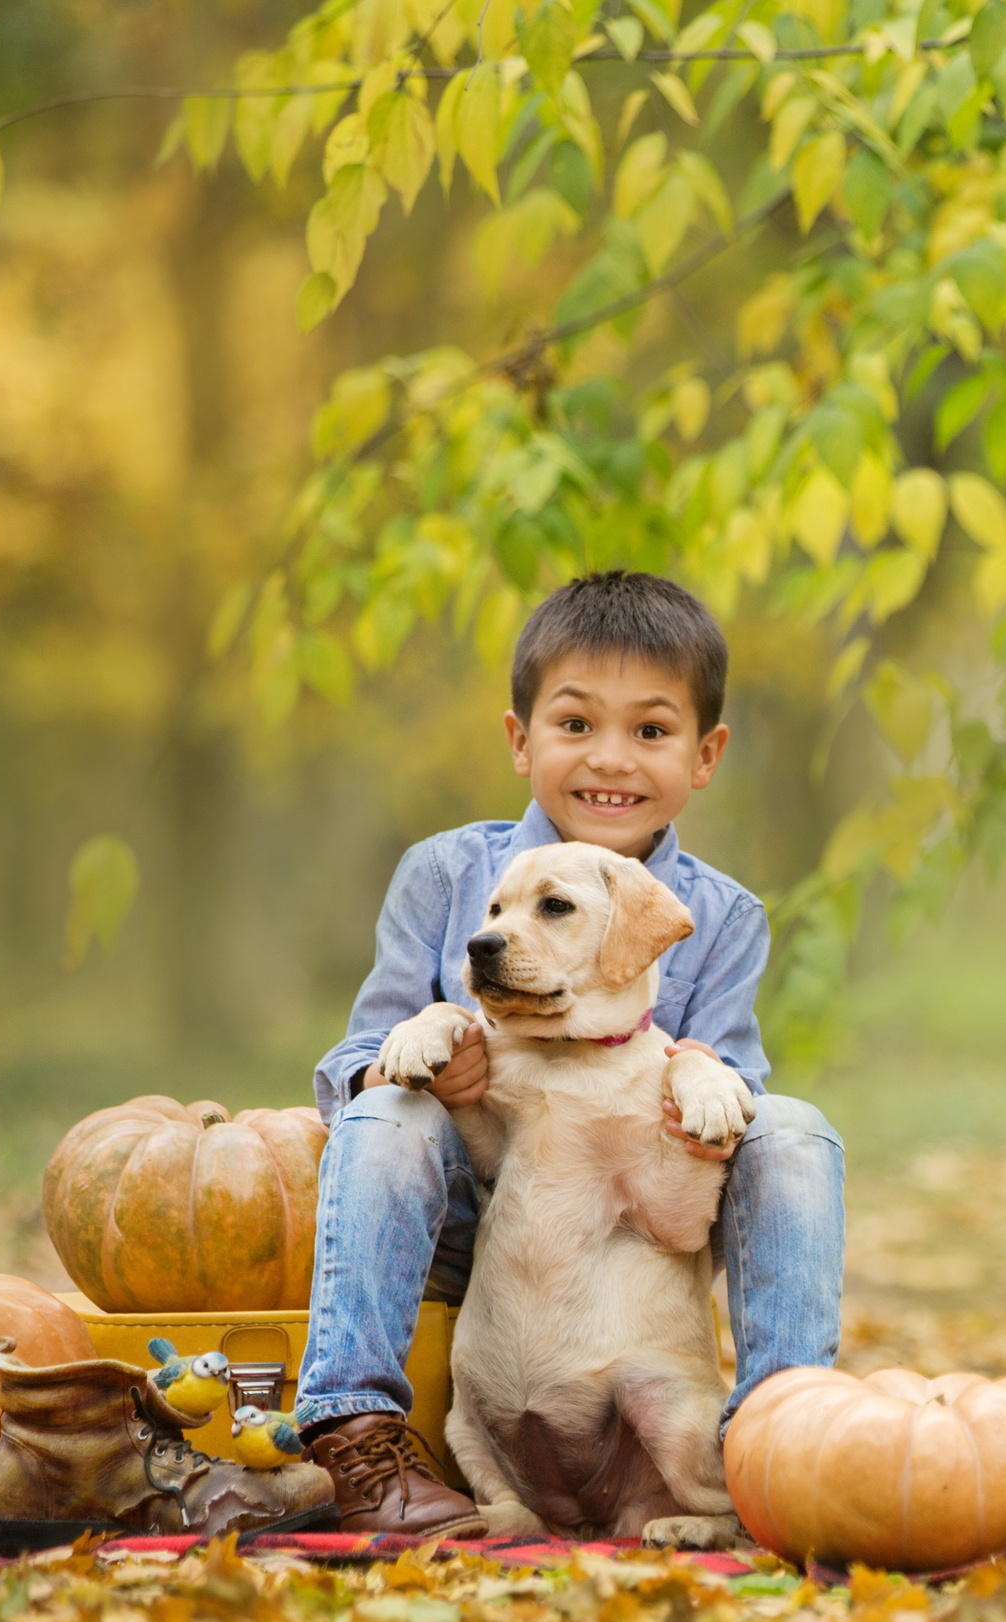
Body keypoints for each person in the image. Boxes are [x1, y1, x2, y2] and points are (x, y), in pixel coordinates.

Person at [296, 570, 845, 1538]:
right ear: (520, 739)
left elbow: (724, 1118)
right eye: (576, 724)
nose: (612, 761)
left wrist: (697, 1081)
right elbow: (351, 1062)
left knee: (793, 1130)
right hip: (464, 1227)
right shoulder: (447, 874)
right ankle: (354, 1430)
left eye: (651, 731)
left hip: (624, 1249)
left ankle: (787, 1439)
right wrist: (410, 1065)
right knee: (384, 1108)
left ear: (704, 754)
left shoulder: (719, 918)